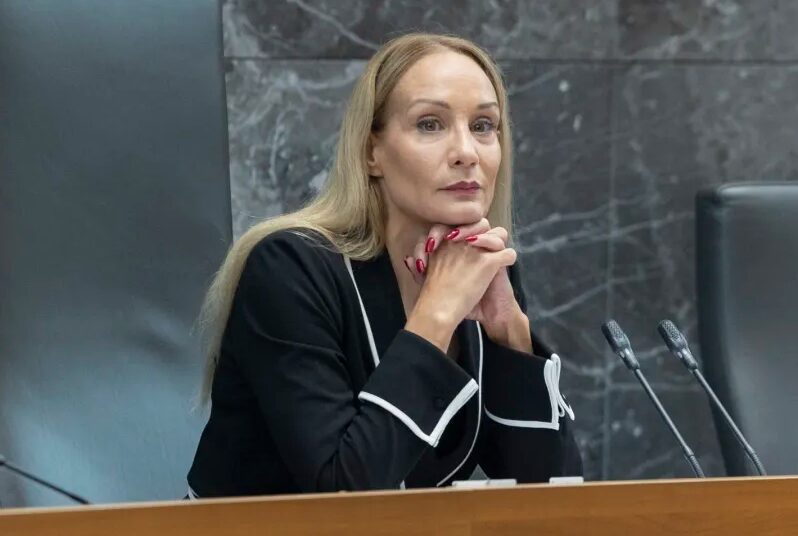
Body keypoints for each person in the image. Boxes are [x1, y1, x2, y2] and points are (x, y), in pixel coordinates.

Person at [186, 32, 582, 498]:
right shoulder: (289, 267)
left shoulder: (482, 267)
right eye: (430, 124)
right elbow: (344, 489)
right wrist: (436, 315)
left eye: (483, 125)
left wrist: (509, 335)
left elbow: (554, 495)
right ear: (371, 151)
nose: (467, 152)